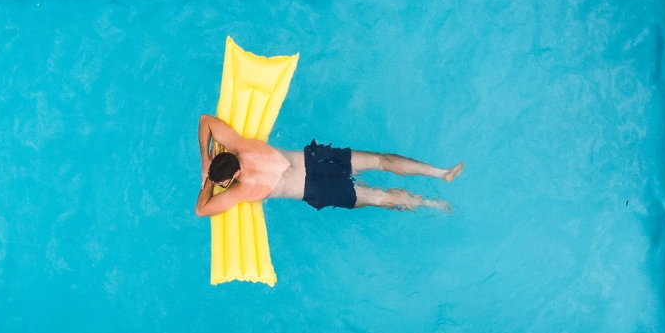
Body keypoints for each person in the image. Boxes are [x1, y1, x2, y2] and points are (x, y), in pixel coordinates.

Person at [193, 114, 463, 216]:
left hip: (314, 189)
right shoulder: (241, 144)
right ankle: (441, 173)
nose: (223, 186)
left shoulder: (242, 190)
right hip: (315, 160)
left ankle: (433, 205)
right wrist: (207, 158)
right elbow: (206, 119)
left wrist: (206, 179)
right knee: (381, 160)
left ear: (236, 173)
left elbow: (201, 210)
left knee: (380, 197)